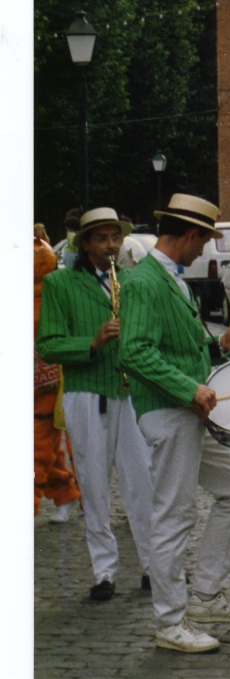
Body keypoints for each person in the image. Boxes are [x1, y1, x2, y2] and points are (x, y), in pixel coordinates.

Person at [119, 193, 230, 653]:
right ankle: (169, 622)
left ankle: (204, 595)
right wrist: (189, 390)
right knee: (174, 516)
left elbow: (182, 349)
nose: (204, 250)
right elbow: (135, 352)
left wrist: (222, 343)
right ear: (190, 234)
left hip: (190, 411)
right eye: (204, 240)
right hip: (170, 412)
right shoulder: (145, 281)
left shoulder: (168, 278)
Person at [36, 207, 154, 601]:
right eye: (101, 239)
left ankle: (154, 567)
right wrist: (93, 341)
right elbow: (48, 344)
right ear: (85, 244)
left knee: (142, 482)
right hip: (87, 394)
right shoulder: (59, 283)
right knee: (93, 483)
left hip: (130, 393)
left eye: (115, 238)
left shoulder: (134, 280)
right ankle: (104, 572)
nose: (110, 246)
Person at [34, 228, 82, 523]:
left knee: (36, 447)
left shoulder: (48, 289)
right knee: (42, 448)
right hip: (43, 382)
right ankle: (65, 493)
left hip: (44, 383)